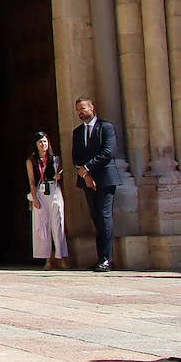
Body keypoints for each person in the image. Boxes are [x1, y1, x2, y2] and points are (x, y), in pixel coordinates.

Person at [72, 97, 121, 271]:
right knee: (96, 218)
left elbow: (108, 152)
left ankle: (107, 259)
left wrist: (86, 168)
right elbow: (76, 156)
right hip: (87, 180)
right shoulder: (77, 132)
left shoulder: (106, 128)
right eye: (77, 109)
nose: (80, 112)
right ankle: (101, 257)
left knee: (105, 217)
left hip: (105, 179)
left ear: (92, 108)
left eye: (83, 108)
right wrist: (85, 175)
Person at [27, 130, 67, 269]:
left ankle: (62, 258)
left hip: (54, 191)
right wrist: (35, 198)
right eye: (40, 142)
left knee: (58, 224)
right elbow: (32, 181)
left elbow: (61, 175)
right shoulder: (31, 161)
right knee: (42, 227)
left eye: (44, 141)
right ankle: (48, 259)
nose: (42, 144)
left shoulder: (55, 159)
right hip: (40, 194)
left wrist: (59, 177)